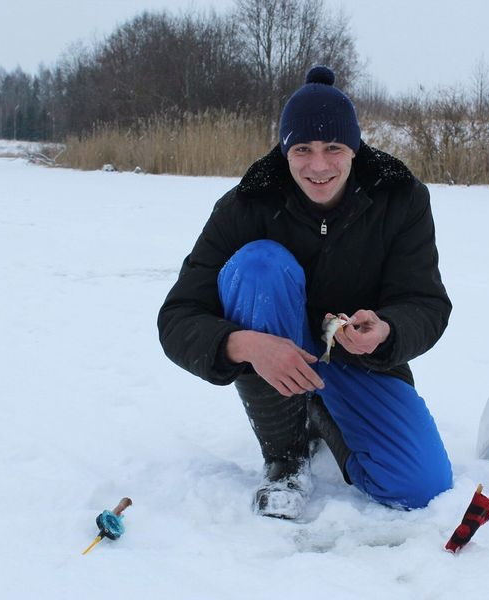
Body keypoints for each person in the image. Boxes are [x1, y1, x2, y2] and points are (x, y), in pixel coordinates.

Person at [158, 66, 453, 520]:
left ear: (354, 148)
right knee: (259, 264)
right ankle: (286, 455)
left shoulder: (401, 198)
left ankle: (321, 414)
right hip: (277, 349)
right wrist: (247, 345)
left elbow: (426, 302)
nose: (319, 165)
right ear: (284, 150)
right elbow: (178, 318)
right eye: (303, 149)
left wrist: (387, 331)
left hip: (359, 358)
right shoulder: (246, 204)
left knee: (419, 486)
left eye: (333, 147)